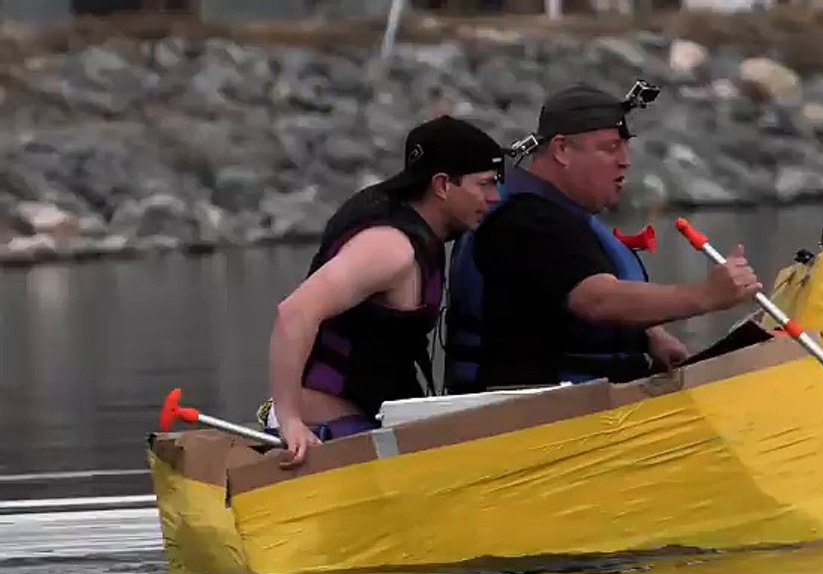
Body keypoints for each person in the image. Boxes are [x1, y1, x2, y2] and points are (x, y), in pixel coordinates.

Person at [442, 82, 762, 394]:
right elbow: (597, 300)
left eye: (625, 145)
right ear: (562, 149)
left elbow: (556, 291)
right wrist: (708, 294)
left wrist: (648, 334)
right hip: (532, 415)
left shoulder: (553, 213)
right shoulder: (527, 222)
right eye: (610, 147)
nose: (626, 160)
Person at [266, 115, 504, 467]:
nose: (495, 197)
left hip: (364, 423)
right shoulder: (390, 249)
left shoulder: (418, 227)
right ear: (442, 185)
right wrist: (290, 421)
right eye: (483, 184)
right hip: (319, 434)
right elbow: (294, 312)